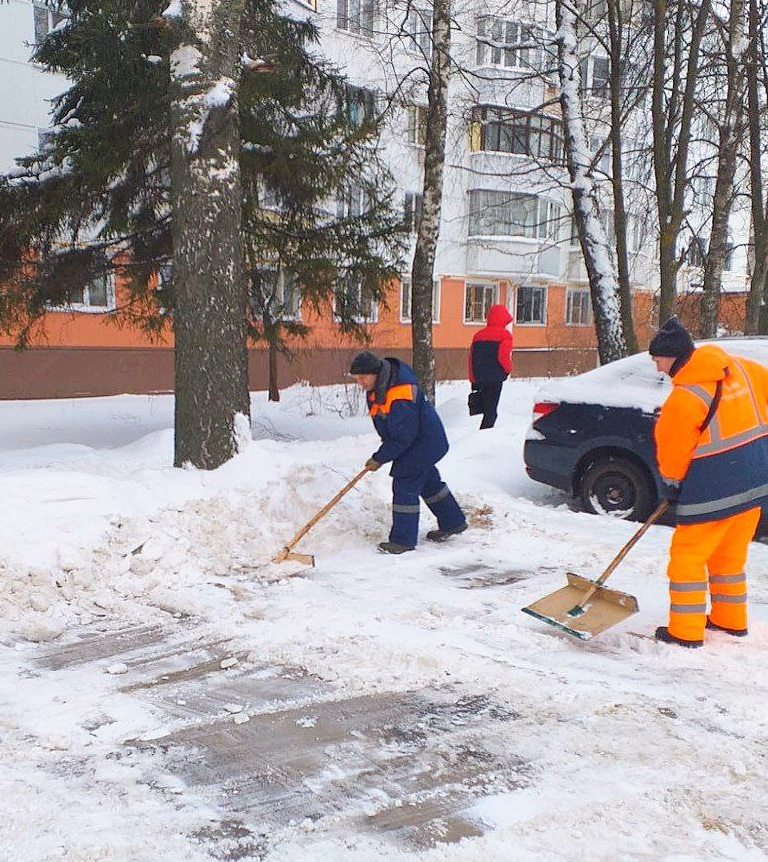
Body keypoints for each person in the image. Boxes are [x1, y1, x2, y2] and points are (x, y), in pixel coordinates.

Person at [650, 316, 768, 647]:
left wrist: (671, 487)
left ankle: (684, 632)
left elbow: (673, 451)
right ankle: (730, 620)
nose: (657, 367)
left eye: (657, 359)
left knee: (687, 558)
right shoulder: (742, 368)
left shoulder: (685, 398)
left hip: (715, 489)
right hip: (756, 480)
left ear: (673, 356)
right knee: (728, 556)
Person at [350, 350, 468, 554]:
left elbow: (404, 434)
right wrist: (385, 451)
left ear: (375, 373)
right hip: (415, 442)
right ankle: (453, 521)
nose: (360, 382)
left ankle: (402, 541)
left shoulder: (400, 391)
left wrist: (380, 457)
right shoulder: (378, 389)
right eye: (356, 379)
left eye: (362, 377)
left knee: (405, 483)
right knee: (428, 481)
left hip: (425, 441)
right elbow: (388, 427)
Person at [469, 304, 513, 429]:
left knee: (487, 410)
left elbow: (471, 358)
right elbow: (503, 356)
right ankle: (484, 438)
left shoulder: (478, 336)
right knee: (491, 412)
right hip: (495, 378)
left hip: (480, 377)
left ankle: (484, 435)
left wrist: (473, 379)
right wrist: (507, 370)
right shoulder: (505, 335)